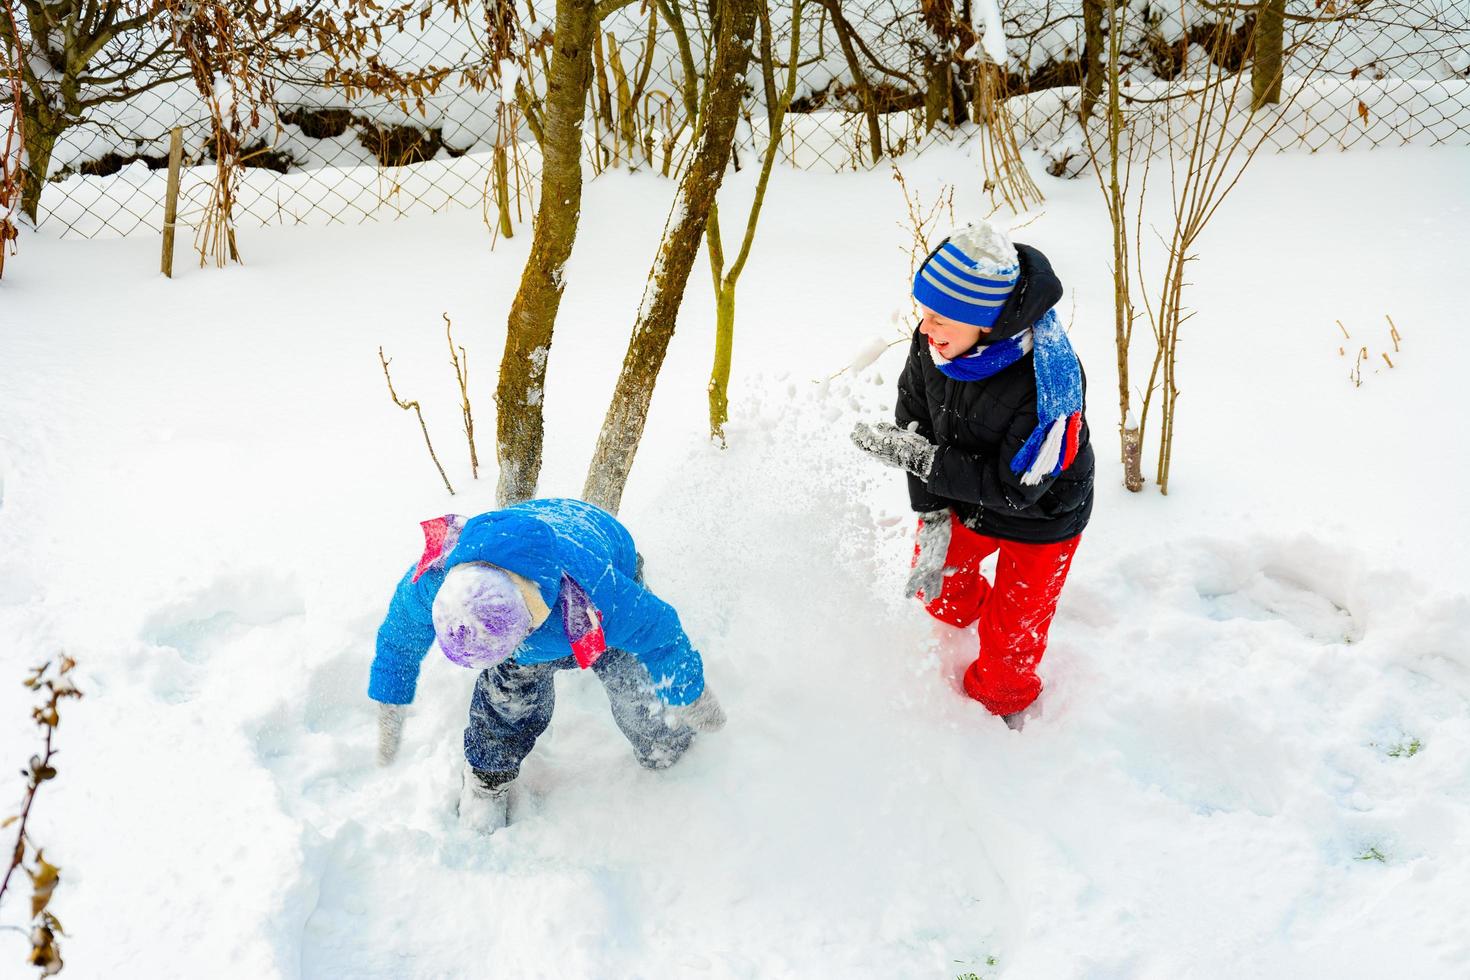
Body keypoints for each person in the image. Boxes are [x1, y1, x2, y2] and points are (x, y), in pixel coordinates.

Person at [851, 220, 1095, 727]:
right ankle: (970, 619)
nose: (924, 328)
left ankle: (994, 720)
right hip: (961, 501)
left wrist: (922, 462)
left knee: (1006, 673)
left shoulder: (1048, 386)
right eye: (923, 313)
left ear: (985, 321)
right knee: (937, 593)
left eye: (939, 317)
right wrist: (932, 517)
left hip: (1041, 520)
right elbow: (915, 429)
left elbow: (1017, 489)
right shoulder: (933, 347)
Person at [369, 497, 726, 832]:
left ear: (528, 623)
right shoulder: (436, 577)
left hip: (597, 559)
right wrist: (391, 696)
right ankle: (488, 779)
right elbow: (399, 635)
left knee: (632, 681)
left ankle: (664, 742)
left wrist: (688, 692)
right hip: (522, 556)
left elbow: (659, 631)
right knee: (507, 695)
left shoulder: (599, 594)